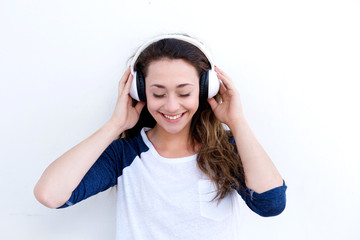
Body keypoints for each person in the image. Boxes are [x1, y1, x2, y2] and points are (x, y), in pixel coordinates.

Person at [34, 34, 287, 239]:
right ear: (140, 91)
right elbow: (50, 195)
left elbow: (271, 205)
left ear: (204, 90)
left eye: (184, 93)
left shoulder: (227, 148)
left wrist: (237, 121)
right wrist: (114, 125)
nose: (172, 106)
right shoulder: (124, 155)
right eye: (158, 93)